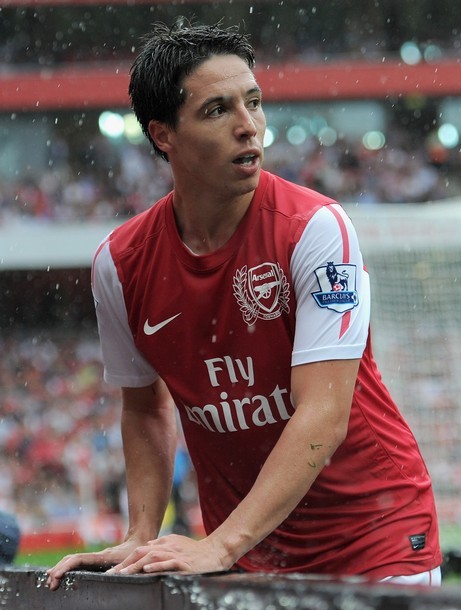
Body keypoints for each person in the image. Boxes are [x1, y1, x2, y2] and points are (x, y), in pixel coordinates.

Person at [47, 21, 442, 590]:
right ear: (163, 134)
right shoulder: (119, 263)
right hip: (250, 552)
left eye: (253, 102)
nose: (248, 125)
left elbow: (323, 413)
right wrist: (141, 532)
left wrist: (222, 543)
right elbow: (144, 407)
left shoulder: (315, 228)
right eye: (217, 110)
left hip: (373, 542)